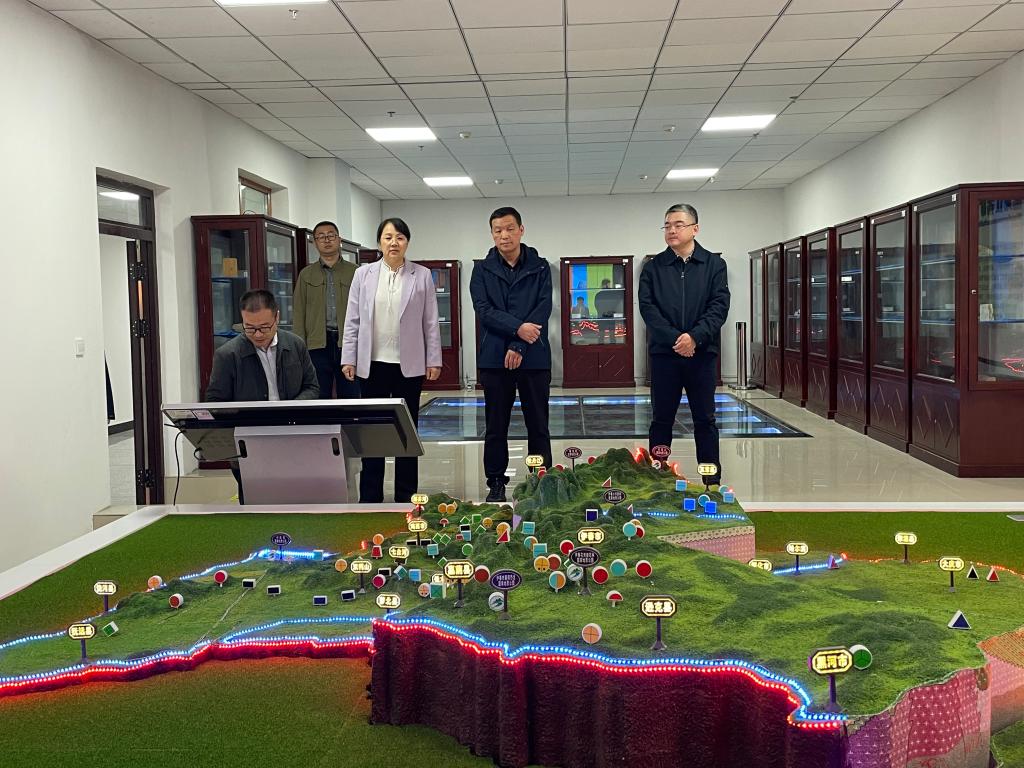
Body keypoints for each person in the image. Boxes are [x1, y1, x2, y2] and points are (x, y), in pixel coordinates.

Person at [341, 218, 441, 503]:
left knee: (407, 431)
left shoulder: (421, 275)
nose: (393, 242)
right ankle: (370, 495)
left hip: (408, 366)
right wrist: (349, 357)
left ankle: (406, 494)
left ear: (407, 242)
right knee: (372, 431)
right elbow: (353, 319)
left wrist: (433, 359)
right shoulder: (363, 274)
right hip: (372, 364)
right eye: (388, 237)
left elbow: (431, 321)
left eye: (399, 237)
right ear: (379, 243)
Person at [638, 204, 730, 485]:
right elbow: (648, 309)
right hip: (665, 356)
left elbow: (719, 307)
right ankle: (658, 478)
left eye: (678, 224)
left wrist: (694, 338)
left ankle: (711, 483)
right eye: (667, 225)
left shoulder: (714, 265)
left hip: (701, 355)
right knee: (661, 418)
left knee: (705, 419)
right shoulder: (654, 268)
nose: (672, 230)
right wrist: (676, 340)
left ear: (695, 229)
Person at [470, 206, 553, 502]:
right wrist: (518, 329)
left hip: (534, 356)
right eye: (497, 230)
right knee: (495, 426)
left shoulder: (540, 267)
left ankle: (540, 481)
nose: (504, 235)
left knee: (538, 424)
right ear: (492, 234)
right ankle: (496, 481)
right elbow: (484, 310)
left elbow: (543, 307)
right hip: (495, 358)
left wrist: (519, 344)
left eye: (509, 228)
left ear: (521, 230)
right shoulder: (482, 269)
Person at [205, 289, 319, 503]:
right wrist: (243, 416)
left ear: (277, 317)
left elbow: (312, 387)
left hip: (292, 435)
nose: (257, 334)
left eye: (264, 327)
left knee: (298, 501)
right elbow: (215, 402)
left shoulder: (295, 345)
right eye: (250, 328)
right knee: (255, 505)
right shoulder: (227, 355)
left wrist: (291, 409)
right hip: (249, 442)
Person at [293, 220, 359, 399]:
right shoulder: (306, 274)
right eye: (321, 237)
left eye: (331, 235)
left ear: (339, 240)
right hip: (316, 344)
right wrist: (300, 348)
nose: (327, 240)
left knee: (351, 393)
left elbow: (366, 310)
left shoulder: (356, 272)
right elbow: (299, 312)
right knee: (318, 394)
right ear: (315, 243)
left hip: (349, 343)